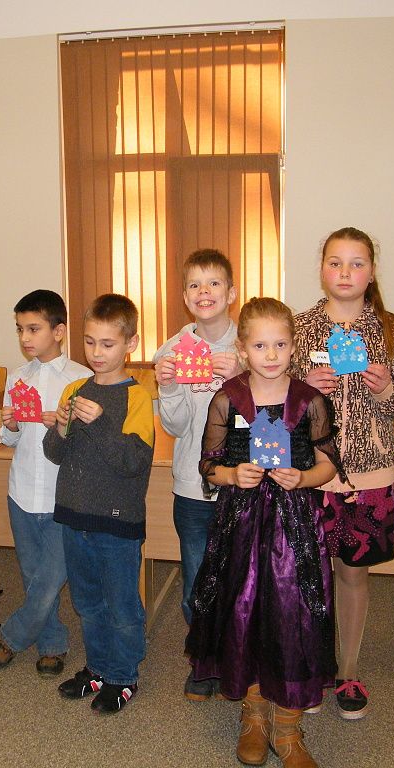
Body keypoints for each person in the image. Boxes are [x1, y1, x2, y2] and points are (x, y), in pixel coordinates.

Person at [187, 297, 343, 768]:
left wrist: (304, 477)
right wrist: (233, 475)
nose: (270, 354)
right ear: (242, 349)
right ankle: (254, 716)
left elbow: (329, 463)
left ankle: (288, 729)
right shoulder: (227, 398)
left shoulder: (310, 401)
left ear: (293, 347)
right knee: (245, 612)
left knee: (293, 616)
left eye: (279, 344)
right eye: (259, 345)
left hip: (295, 527)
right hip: (241, 524)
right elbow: (208, 466)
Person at [289, 228, 394, 719]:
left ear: (371, 272)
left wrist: (385, 388)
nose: (345, 272)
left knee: (353, 574)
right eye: (335, 262)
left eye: (357, 263)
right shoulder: (300, 327)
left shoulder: (388, 329)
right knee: (307, 576)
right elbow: (273, 401)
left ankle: (348, 670)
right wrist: (301, 387)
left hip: (369, 476)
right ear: (322, 268)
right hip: (310, 475)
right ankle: (310, 667)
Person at [44, 294, 154, 714]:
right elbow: (55, 453)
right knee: (87, 602)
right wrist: (61, 427)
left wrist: (101, 422)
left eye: (107, 344)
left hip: (117, 523)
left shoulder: (137, 397)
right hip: (74, 515)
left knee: (121, 605)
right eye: (89, 342)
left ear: (130, 344)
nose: (96, 352)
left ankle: (123, 674)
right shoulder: (75, 388)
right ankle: (98, 667)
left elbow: (133, 462)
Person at [0, 290, 91, 677]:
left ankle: (12, 635)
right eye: (20, 329)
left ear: (58, 331)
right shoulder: (19, 376)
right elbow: (11, 440)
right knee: (32, 576)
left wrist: (63, 426)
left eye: (33, 329)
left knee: (49, 581)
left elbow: (89, 444)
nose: (25, 337)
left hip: (63, 496)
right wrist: (11, 425)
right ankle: (52, 642)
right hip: (22, 491)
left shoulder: (81, 379)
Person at [152, 248, 241, 701]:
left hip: (244, 485)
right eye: (194, 285)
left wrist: (243, 377)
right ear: (185, 296)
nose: (204, 292)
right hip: (193, 486)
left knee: (242, 579)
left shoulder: (253, 344)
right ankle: (203, 660)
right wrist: (168, 387)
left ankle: (238, 657)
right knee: (196, 582)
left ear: (232, 292)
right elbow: (175, 426)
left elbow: (271, 416)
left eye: (214, 283)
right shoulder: (172, 350)